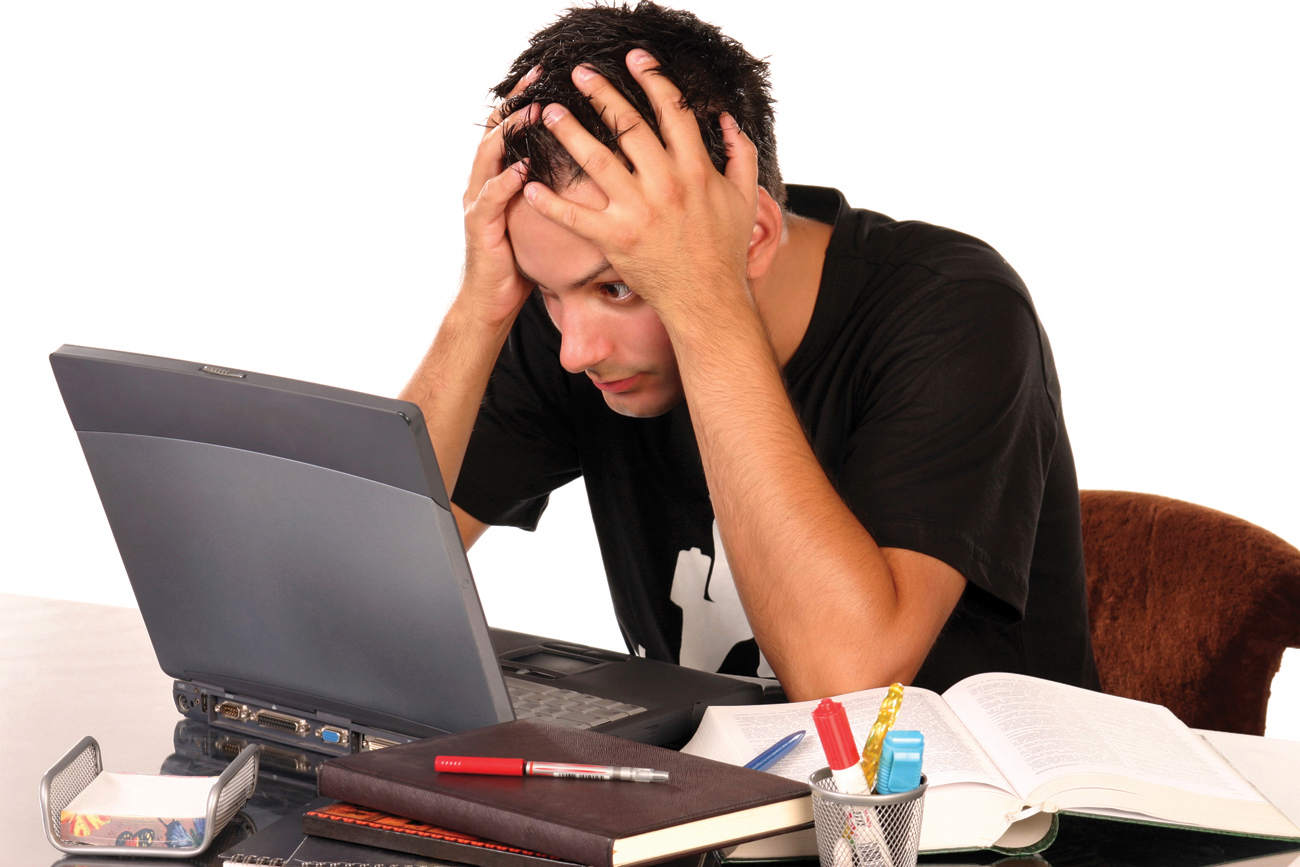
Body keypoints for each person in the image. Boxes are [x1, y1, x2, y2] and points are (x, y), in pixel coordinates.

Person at [401, 2, 1098, 702]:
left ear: (754, 236)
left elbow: (844, 681)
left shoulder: (957, 308)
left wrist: (702, 294)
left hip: (967, 806)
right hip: (716, 801)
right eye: (548, 292)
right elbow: (338, 581)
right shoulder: (574, 326)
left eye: (618, 287)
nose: (575, 351)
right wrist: (480, 308)